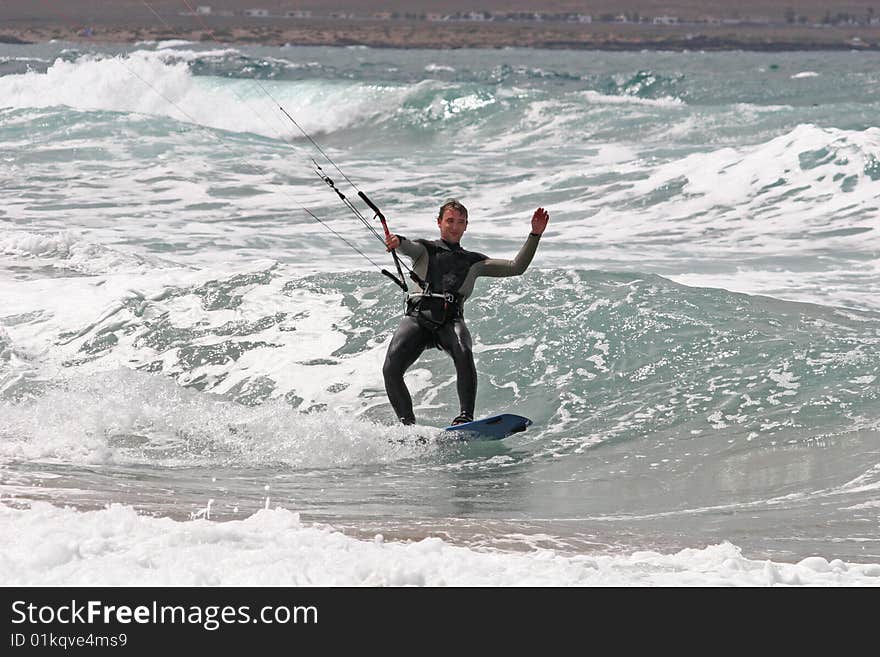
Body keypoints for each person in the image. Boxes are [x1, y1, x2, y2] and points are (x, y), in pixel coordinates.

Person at [383, 199, 549, 426]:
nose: (454, 226)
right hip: (418, 319)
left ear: (466, 226)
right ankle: (408, 427)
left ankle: (465, 418)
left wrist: (534, 234)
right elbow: (407, 246)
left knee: (464, 351)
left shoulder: (474, 261)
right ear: (439, 222)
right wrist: (397, 241)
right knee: (391, 369)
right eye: (449, 221)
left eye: (460, 222)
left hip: (450, 320)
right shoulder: (425, 249)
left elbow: (515, 267)